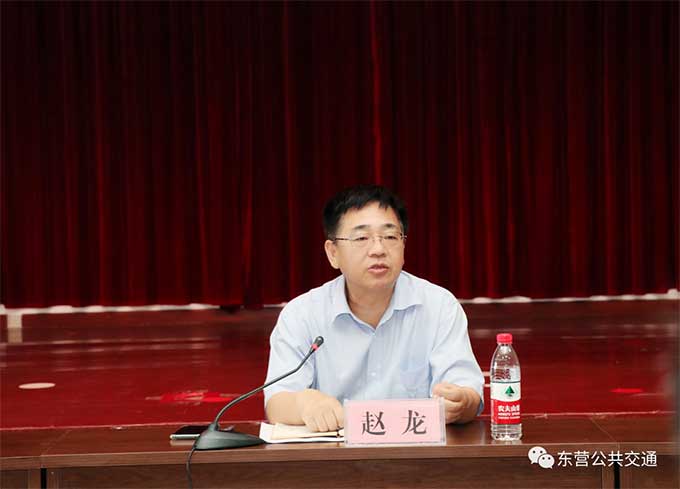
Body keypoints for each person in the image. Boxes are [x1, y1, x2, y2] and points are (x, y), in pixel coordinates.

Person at [264, 185, 484, 432]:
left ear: (403, 246)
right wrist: (304, 403)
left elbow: (468, 394)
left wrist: (461, 403)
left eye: (390, 237)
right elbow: (277, 402)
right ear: (333, 253)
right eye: (361, 238)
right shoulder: (302, 315)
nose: (378, 249)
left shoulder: (439, 306)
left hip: (416, 451)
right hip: (335, 453)